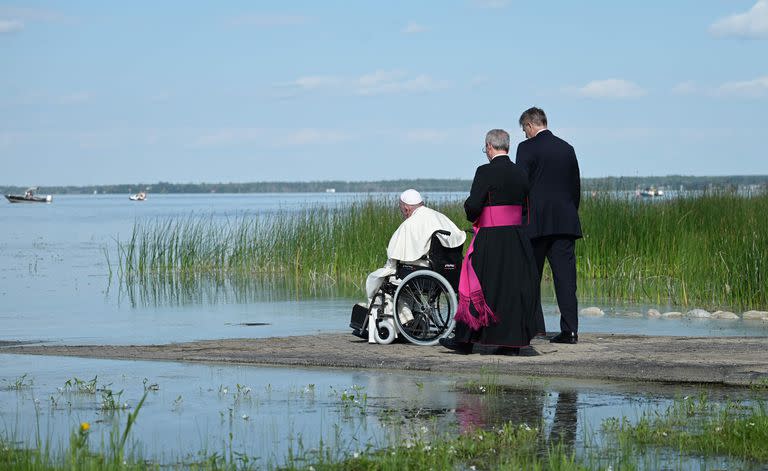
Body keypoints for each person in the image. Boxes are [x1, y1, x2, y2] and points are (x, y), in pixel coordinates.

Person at [440, 129, 544, 355]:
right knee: (512, 288)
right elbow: (526, 206)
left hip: (491, 237)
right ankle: (511, 343)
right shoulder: (520, 172)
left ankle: (465, 341)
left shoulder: (484, 171)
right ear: (506, 146)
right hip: (517, 238)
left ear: (489, 146)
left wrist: (470, 209)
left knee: (477, 285)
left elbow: (474, 206)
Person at [515, 107, 582, 344]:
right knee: (566, 279)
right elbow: (575, 188)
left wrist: (521, 216)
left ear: (531, 126)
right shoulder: (567, 148)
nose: (524, 134)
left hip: (535, 223)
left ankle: (537, 329)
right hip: (565, 222)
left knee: (530, 276)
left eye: (524, 129)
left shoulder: (526, 148)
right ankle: (570, 330)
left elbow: (521, 185)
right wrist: (569, 212)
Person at [364, 189, 466, 303]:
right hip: (449, 271)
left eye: (402, 211)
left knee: (376, 280)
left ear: (406, 209)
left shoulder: (410, 224)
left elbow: (393, 258)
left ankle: (404, 317)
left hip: (423, 272)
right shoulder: (441, 217)